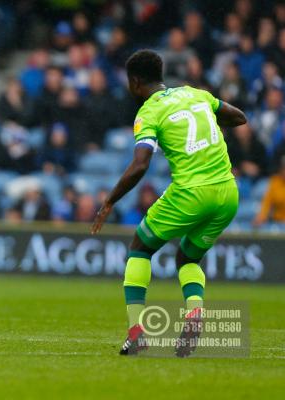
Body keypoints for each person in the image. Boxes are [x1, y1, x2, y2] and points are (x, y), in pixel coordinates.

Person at [91, 50, 246, 357]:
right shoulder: (196, 94)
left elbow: (139, 166)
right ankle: (194, 313)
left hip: (191, 193)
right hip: (228, 193)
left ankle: (136, 334)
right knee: (187, 259)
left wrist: (109, 201)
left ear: (135, 82)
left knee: (140, 247)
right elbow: (239, 117)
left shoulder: (149, 112)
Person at [253, 156, 285, 227]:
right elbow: (267, 201)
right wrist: (261, 217)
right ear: (281, 169)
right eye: (284, 168)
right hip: (277, 222)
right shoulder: (275, 181)